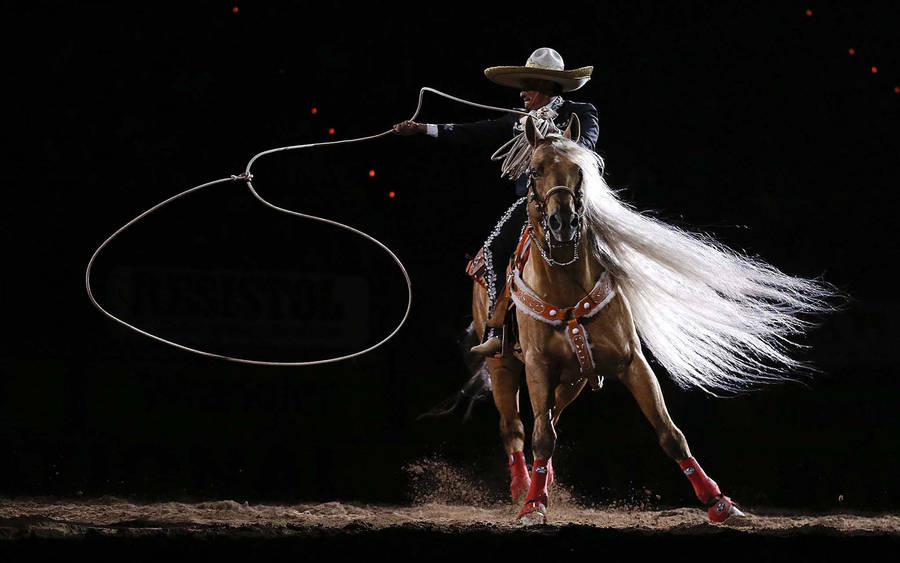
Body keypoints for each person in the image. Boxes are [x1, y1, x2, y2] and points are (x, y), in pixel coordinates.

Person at [394, 48, 599, 356]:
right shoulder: (519, 121)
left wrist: (553, 137)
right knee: (493, 250)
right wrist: (424, 129)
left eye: (527, 86)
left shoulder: (579, 111)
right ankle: (496, 328)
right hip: (535, 204)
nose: (522, 94)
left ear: (546, 86)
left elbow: (587, 144)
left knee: (617, 247)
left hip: (576, 200)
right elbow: (475, 132)